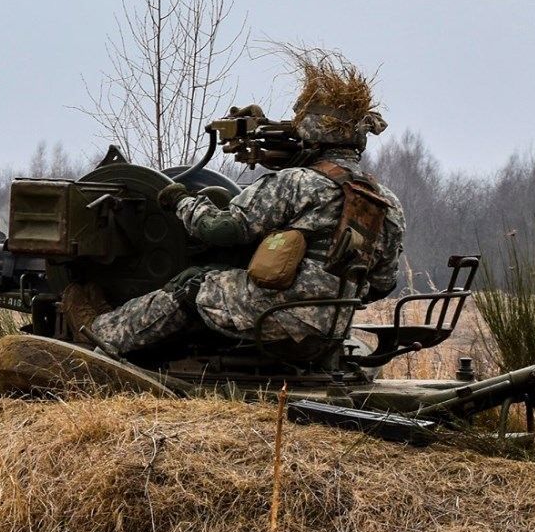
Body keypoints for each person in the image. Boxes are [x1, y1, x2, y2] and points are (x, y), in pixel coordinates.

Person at [83, 55, 405, 365]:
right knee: (225, 284)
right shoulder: (386, 202)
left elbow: (219, 229)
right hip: (332, 329)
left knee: (194, 283)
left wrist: (179, 200)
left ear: (311, 133)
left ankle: (102, 336)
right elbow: (381, 284)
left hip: (276, 318)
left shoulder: (298, 183)